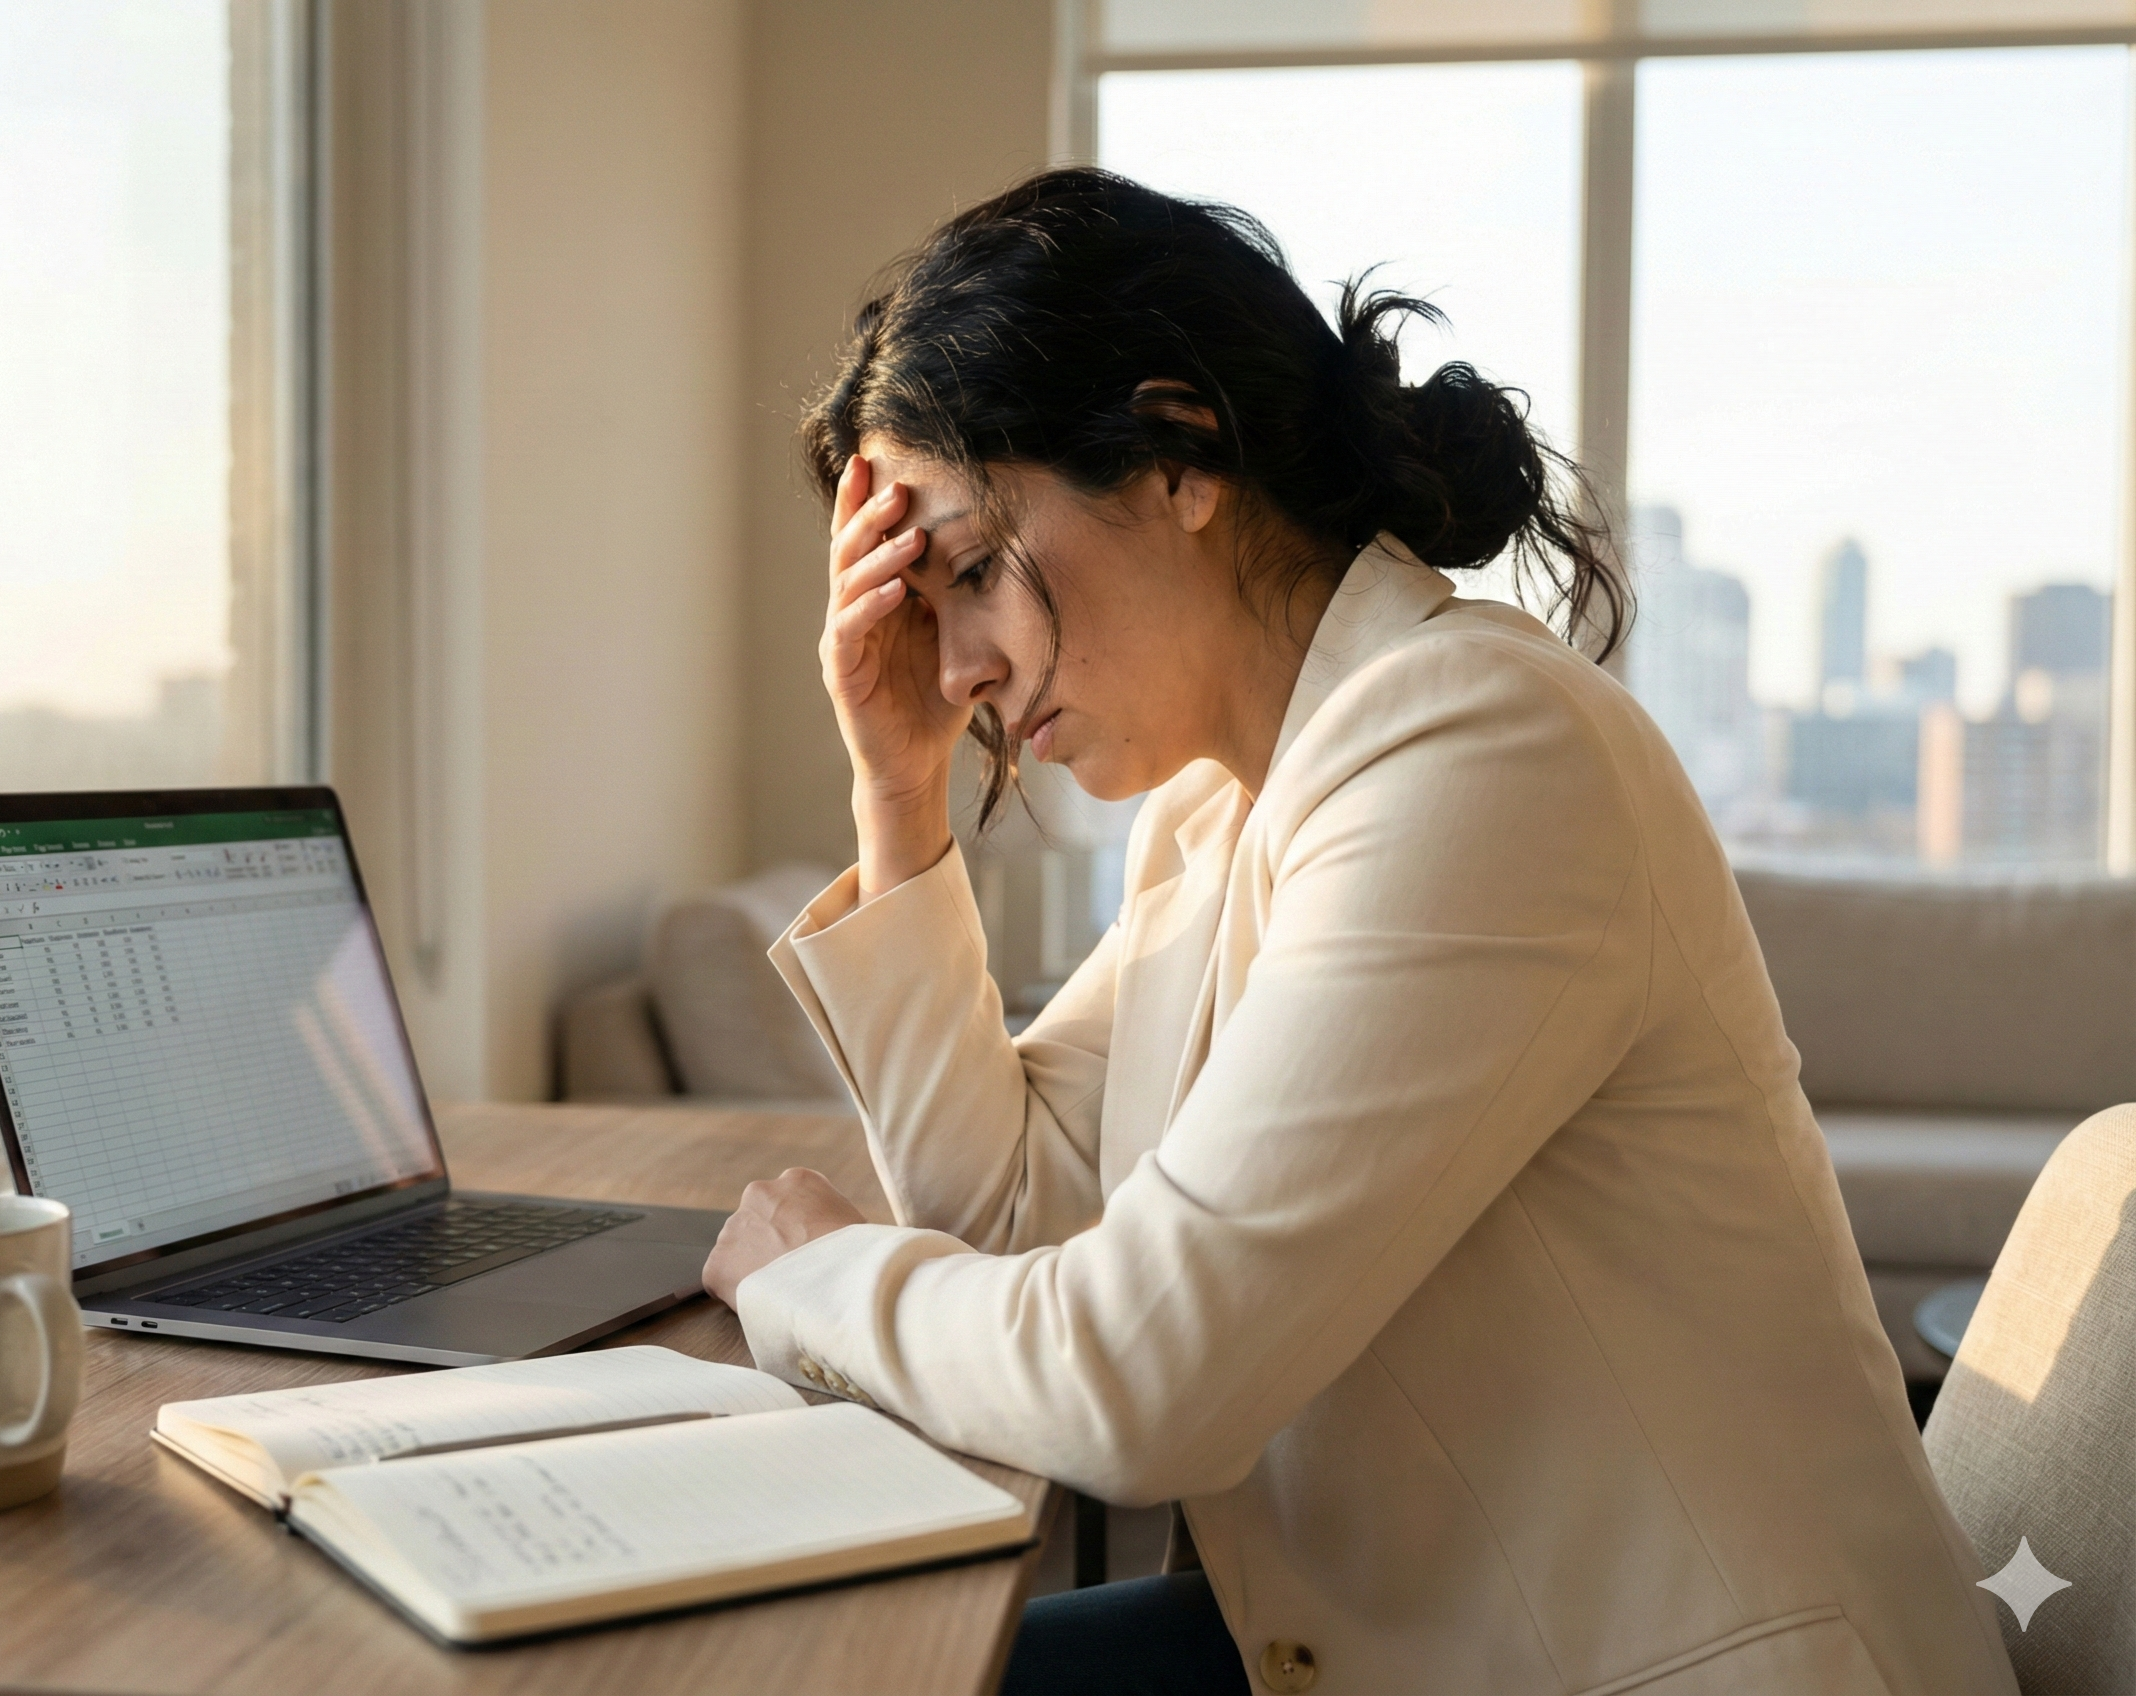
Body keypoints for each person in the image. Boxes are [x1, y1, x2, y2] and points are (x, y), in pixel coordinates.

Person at [699, 169, 2014, 1696]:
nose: (961, 666)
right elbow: (1006, 1216)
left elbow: (1142, 1382)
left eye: (975, 572)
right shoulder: (1224, 811)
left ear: (1178, 451)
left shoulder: (1482, 750)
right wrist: (896, 788)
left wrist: (812, 1280)